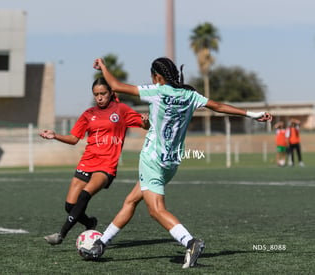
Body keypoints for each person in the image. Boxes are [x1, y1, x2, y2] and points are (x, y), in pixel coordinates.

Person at [83, 57, 272, 269]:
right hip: (171, 164)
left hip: (152, 160)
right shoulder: (190, 95)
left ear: (157, 77)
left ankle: (190, 242)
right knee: (131, 201)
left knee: (155, 210)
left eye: (152, 76)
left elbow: (116, 86)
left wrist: (104, 67)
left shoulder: (158, 91)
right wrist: (252, 114)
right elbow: (218, 106)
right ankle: (101, 244)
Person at [40, 77, 149, 245]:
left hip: (106, 165)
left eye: (103, 93)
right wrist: (55, 135)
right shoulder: (88, 114)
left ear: (111, 93)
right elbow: (74, 138)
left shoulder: (121, 109)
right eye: (96, 94)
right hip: (87, 161)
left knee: (85, 195)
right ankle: (90, 223)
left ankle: (61, 234)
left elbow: (144, 125)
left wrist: (146, 121)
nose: (99, 97)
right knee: (70, 206)